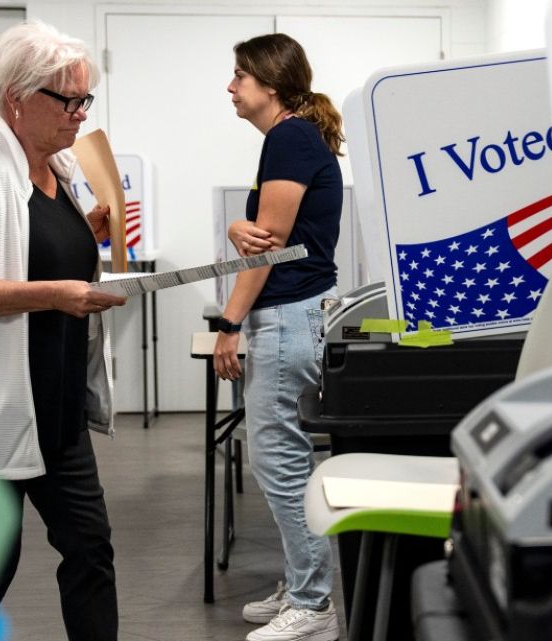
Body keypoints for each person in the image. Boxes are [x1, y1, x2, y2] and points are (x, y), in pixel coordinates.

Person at [0, 20, 126, 641]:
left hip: (61, 410)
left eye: (84, 100)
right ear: (16, 99)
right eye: (66, 100)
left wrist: (91, 231)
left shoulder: (61, 168)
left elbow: (42, 250)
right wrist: (54, 294)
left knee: (91, 554)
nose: (79, 114)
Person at [216, 33, 344, 641]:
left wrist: (227, 325)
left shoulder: (290, 137)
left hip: (289, 314)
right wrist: (244, 224)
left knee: (280, 461)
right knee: (279, 460)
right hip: (293, 312)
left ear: (270, 83)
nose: (232, 87)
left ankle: (314, 603)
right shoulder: (289, 139)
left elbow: (268, 251)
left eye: (241, 76)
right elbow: (265, 233)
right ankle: (302, 581)